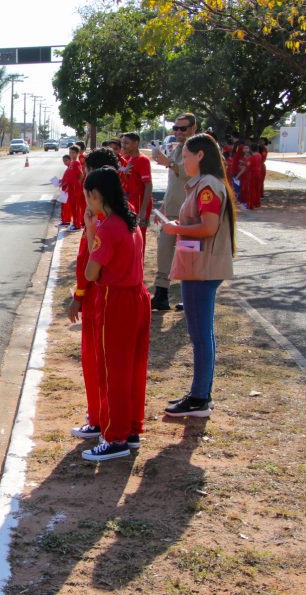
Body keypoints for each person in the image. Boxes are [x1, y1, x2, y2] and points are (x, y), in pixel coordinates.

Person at [161, 133, 237, 418]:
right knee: (202, 334)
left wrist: (175, 229)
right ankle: (200, 393)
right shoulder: (205, 185)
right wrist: (180, 224)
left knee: (200, 335)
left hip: (201, 269)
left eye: (187, 156)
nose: (184, 161)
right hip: (199, 266)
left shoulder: (207, 186)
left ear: (200, 156)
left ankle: (199, 397)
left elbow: (208, 227)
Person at [80, 167, 151, 461]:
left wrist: (91, 231)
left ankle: (115, 436)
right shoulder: (129, 221)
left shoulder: (108, 228)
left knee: (112, 371)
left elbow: (91, 270)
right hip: (136, 296)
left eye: (87, 196)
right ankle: (130, 429)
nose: (86, 202)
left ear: (96, 195)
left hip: (116, 299)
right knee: (131, 367)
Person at [68, 147, 121, 445]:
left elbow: (90, 263)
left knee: (97, 362)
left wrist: (78, 294)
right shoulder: (108, 212)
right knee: (99, 362)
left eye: (87, 172)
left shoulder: (104, 217)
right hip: (102, 293)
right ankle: (99, 418)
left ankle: (101, 420)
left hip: (100, 295)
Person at [150, 113, 197, 311]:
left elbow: (191, 174)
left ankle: (191, 297)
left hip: (190, 215)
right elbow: (174, 182)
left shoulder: (199, 148)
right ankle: (161, 294)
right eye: (175, 128)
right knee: (164, 251)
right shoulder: (178, 149)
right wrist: (164, 205)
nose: (178, 132)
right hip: (171, 212)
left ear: (193, 128)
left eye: (182, 128)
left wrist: (168, 163)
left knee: (188, 254)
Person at [120, 132, 153, 251]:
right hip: (129, 203)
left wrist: (143, 211)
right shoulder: (127, 159)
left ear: (136, 143)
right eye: (122, 142)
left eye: (126, 143)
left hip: (140, 205)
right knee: (129, 235)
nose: (123, 145)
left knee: (140, 235)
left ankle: (139, 265)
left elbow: (148, 185)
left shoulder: (142, 160)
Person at [60, 145, 84, 231]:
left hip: (75, 188)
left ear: (77, 153)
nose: (71, 154)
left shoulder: (76, 163)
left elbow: (80, 175)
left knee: (76, 207)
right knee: (73, 207)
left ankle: (77, 225)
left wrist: (77, 184)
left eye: (73, 152)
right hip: (70, 188)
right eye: (70, 152)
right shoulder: (72, 163)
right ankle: (74, 223)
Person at [58, 154, 72, 226]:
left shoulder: (71, 168)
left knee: (66, 206)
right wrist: (60, 181)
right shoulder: (68, 168)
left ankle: (66, 221)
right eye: (63, 161)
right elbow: (66, 179)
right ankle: (64, 220)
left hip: (67, 189)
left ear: (70, 160)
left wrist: (63, 184)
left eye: (66, 160)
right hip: (64, 189)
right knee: (63, 205)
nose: (65, 162)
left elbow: (70, 180)